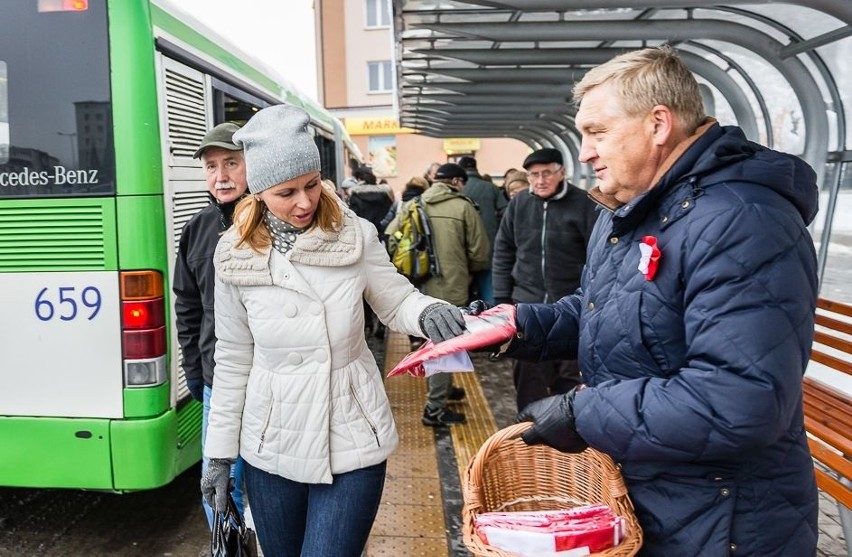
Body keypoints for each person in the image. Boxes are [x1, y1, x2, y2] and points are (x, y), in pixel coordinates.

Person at [490, 46, 819, 554]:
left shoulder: (742, 219)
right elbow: (607, 309)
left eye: (597, 133)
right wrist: (517, 325)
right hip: (659, 497)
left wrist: (583, 413)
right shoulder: (638, 210)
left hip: (723, 520)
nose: (584, 153)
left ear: (658, 124)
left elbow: (740, 400)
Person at [199, 104, 465, 557]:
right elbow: (233, 358)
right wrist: (219, 453)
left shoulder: (355, 234)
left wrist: (430, 311)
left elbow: (397, 299)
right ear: (260, 191)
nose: (304, 202)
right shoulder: (234, 255)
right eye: (287, 192)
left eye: (311, 185)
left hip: (351, 436)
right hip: (271, 445)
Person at [172, 122, 248, 529]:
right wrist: (195, 372)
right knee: (219, 486)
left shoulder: (276, 221)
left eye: (232, 163)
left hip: (275, 381)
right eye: (211, 166)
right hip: (219, 380)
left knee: (274, 485)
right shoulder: (197, 229)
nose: (221, 176)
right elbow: (187, 306)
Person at [492, 148, 597, 411]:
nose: (540, 180)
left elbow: (597, 257)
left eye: (547, 173)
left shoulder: (584, 203)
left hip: (571, 309)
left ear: (562, 173)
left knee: (570, 379)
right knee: (528, 380)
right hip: (527, 306)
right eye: (533, 175)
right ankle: (528, 436)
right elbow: (503, 250)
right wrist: (503, 299)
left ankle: (570, 441)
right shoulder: (519, 204)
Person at [387, 163, 490, 426]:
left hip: (420, 284)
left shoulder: (414, 204)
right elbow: (479, 253)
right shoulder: (463, 207)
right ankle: (434, 408)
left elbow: (392, 236)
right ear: (456, 181)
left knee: (439, 341)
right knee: (445, 345)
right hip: (453, 284)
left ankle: (445, 389)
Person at [458, 155, 507, 305]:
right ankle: (491, 320)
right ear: (475, 167)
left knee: (464, 293)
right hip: (490, 248)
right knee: (488, 290)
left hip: (463, 251)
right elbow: (505, 211)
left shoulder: (458, 190)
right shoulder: (490, 188)